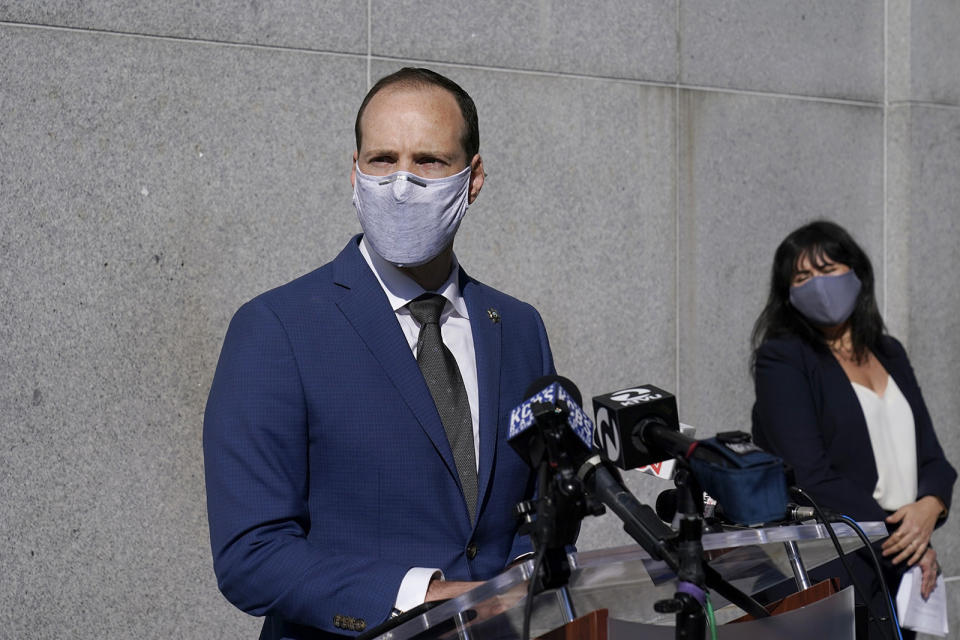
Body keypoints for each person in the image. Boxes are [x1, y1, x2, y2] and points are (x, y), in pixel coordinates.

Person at [203, 67, 555, 639]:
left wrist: (522, 581)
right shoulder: (276, 328)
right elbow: (253, 554)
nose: (402, 182)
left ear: (474, 178)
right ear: (354, 171)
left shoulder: (517, 328)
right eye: (383, 159)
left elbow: (535, 507)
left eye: (430, 161)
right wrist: (427, 597)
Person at [750, 220, 955, 638]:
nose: (817, 285)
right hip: (837, 567)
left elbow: (932, 456)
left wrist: (930, 507)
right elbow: (811, 476)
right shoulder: (783, 358)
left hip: (899, 560)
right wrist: (906, 542)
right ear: (787, 294)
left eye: (828, 270)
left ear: (856, 272)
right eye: (802, 277)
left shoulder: (887, 351)